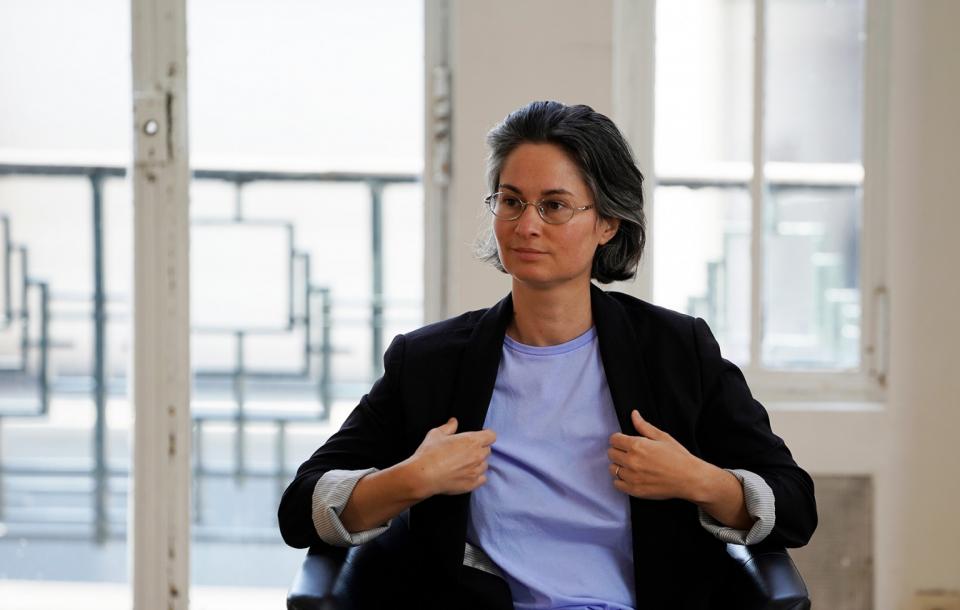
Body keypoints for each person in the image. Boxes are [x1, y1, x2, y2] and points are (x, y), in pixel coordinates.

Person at [278, 101, 817, 610]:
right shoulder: (428, 362)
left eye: (554, 206)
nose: (526, 225)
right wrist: (410, 480)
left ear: (607, 223)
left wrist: (698, 480)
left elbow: (795, 505)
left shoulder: (677, 351)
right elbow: (300, 507)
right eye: (511, 201)